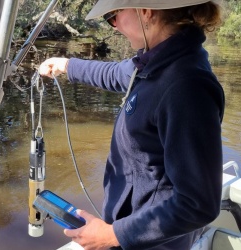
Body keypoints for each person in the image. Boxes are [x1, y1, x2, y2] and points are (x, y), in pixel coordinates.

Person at [38, 0, 225, 249]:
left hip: (150, 242)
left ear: (146, 11)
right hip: (130, 230)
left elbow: (198, 203)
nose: (114, 26)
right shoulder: (157, 62)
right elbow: (116, 74)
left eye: (113, 15)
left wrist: (112, 235)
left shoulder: (187, 86)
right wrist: (67, 66)